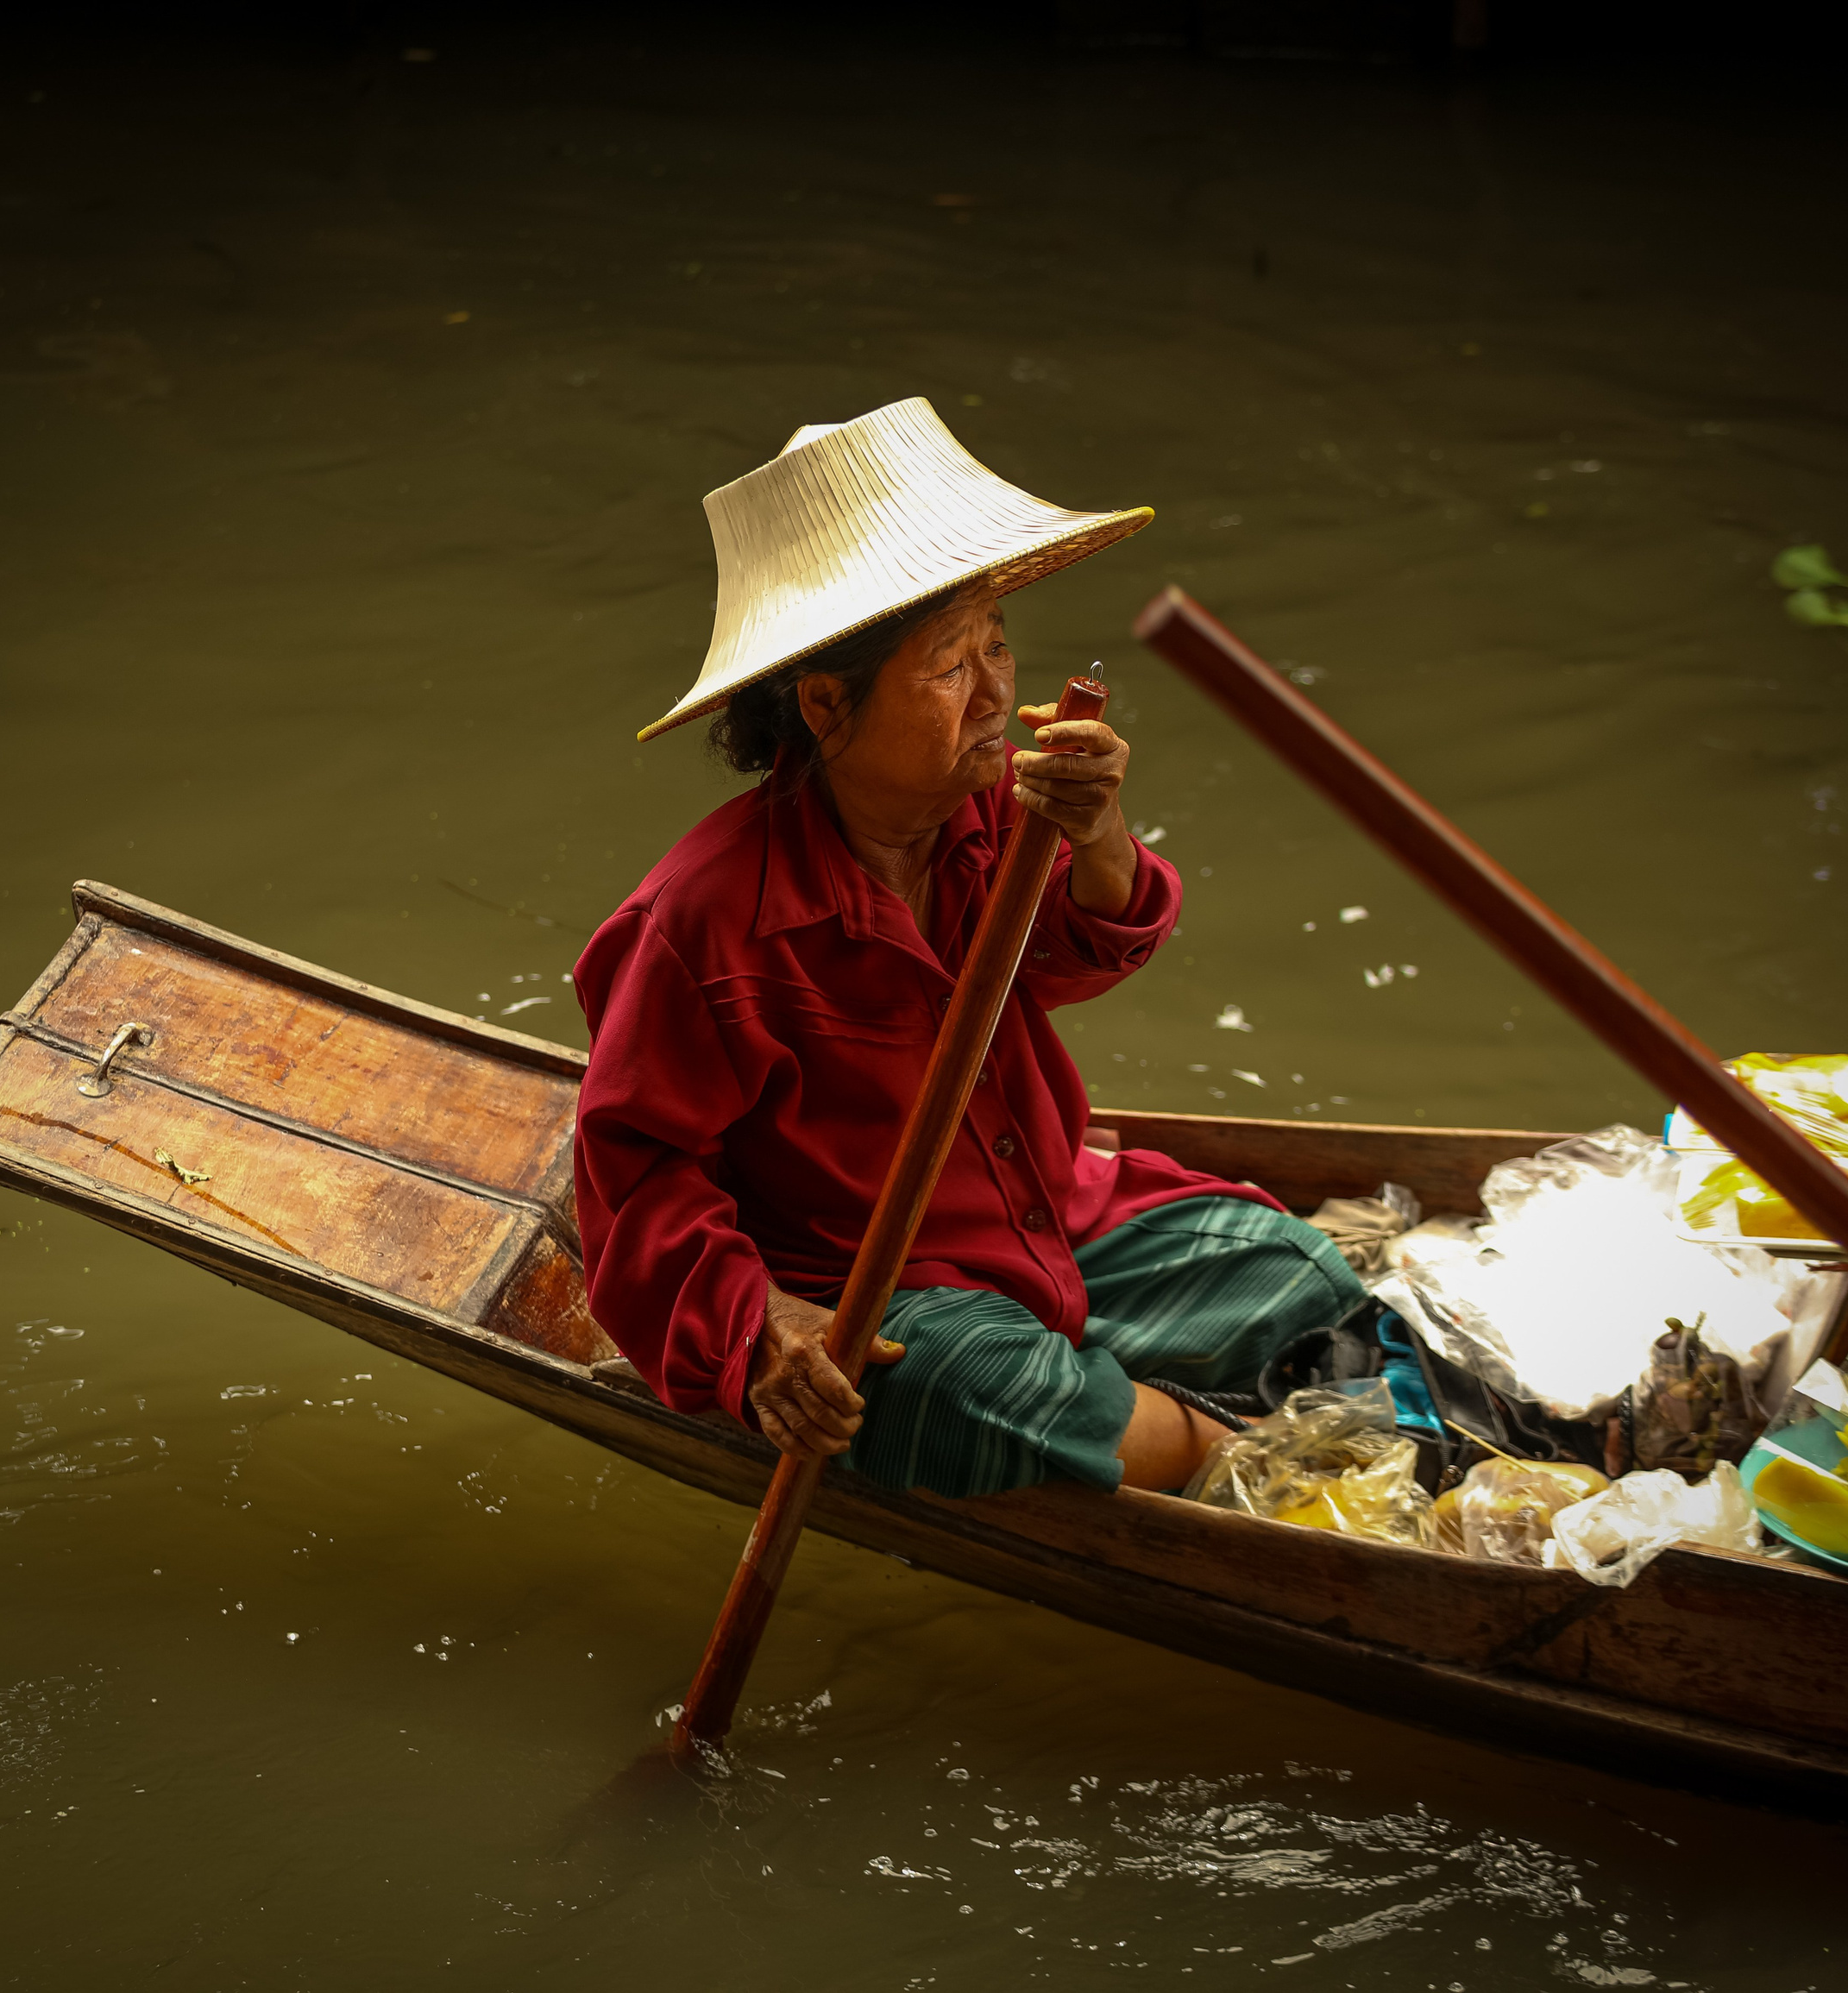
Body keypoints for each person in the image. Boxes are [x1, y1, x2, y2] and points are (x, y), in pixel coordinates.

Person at [572, 399, 1361, 1499]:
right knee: (961, 1387)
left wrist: (1097, 837)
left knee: (1296, 1272)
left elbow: (1081, 960)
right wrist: (765, 1330)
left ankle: (1162, 1414)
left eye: (998, 645)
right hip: (882, 1288)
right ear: (824, 703)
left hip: (1046, 1216)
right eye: (950, 666)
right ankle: (1251, 1473)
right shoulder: (703, 916)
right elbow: (634, 1180)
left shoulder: (992, 810)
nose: (997, 694)